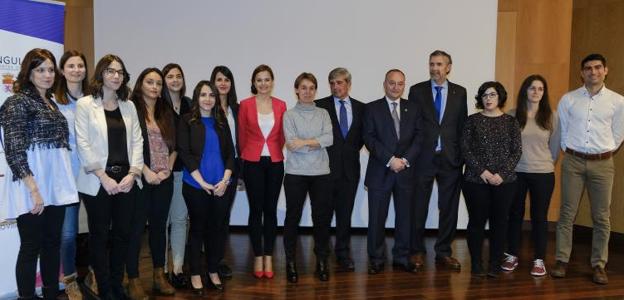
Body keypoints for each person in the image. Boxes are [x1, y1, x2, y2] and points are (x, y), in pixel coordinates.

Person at [0, 48, 79, 300]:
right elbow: (13, 148)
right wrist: (33, 188)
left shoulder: (52, 103)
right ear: (29, 72)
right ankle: (26, 296)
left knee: (52, 243)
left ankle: (49, 294)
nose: (47, 75)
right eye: (40, 69)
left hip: (55, 184)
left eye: (50, 69)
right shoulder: (16, 101)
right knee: (30, 246)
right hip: (31, 183)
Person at [75, 54, 143, 300]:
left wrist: (133, 173)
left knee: (123, 235)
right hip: (98, 181)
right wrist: (104, 177)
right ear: (101, 73)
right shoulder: (85, 104)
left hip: (126, 180)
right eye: (111, 71)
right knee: (100, 235)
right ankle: (104, 287)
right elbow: (83, 143)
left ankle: (117, 284)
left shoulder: (129, 105)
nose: (116, 76)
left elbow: (137, 140)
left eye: (120, 72)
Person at [552, 53, 624, 285]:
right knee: (566, 213)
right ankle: (562, 260)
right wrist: (571, 150)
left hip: (603, 164)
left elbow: (619, 133)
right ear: (582, 72)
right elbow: (562, 131)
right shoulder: (569, 99)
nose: (593, 72)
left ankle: (598, 265)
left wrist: (605, 150)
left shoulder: (618, 101)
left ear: (605, 70)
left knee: (601, 216)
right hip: (573, 161)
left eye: (597, 67)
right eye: (588, 68)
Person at [407, 50, 467, 270]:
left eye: (439, 64)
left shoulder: (460, 92)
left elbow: (461, 127)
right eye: (431, 64)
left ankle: (444, 252)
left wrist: (460, 157)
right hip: (423, 158)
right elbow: (411, 126)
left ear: (448, 67)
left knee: (449, 208)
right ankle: (416, 251)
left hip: (450, 160)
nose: (435, 68)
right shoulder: (417, 91)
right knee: (418, 206)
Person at [363, 69, 422, 275]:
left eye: (400, 84)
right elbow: (369, 139)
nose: (396, 87)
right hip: (380, 171)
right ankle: (376, 259)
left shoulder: (413, 108)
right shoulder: (371, 109)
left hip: (406, 173)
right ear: (384, 84)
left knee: (405, 218)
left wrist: (404, 161)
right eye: (392, 83)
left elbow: (419, 138)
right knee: (377, 219)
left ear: (404, 85)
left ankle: (402, 257)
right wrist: (390, 160)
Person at [178, 80, 235, 294]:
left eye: (211, 95)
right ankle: (194, 274)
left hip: (221, 186)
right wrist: (202, 183)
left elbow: (231, 153)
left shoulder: (221, 122)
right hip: (195, 185)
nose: (208, 99)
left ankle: (212, 270)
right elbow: (184, 153)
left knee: (216, 231)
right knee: (198, 230)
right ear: (196, 97)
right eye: (203, 95)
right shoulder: (187, 121)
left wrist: (226, 180)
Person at [460, 81, 521, 278]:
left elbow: (516, 151)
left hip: (505, 182)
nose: (488, 98)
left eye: (493, 95)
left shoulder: (511, 122)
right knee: (476, 223)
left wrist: (501, 174)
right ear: (480, 98)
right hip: (475, 181)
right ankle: (477, 264)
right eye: (485, 95)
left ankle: (495, 264)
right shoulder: (472, 121)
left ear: (500, 97)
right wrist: (483, 172)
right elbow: (465, 149)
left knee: (499, 223)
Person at [126, 68, 177, 299]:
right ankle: (134, 279)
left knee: (159, 229)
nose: (155, 86)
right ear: (141, 84)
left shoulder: (166, 111)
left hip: (164, 179)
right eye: (149, 82)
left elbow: (174, 146)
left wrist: (168, 168)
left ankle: (158, 275)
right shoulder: (130, 108)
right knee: (136, 230)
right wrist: (145, 171)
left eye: (158, 83)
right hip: (140, 178)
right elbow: (127, 145)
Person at [503, 75, 560, 277]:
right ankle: (511, 255)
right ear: (525, 91)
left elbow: (554, 148)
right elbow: (507, 146)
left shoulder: (552, 116)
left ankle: (539, 260)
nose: (536, 92)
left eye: (540, 89)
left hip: (543, 174)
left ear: (544, 93)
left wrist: (543, 164)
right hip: (516, 173)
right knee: (515, 215)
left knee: (539, 217)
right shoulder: (512, 114)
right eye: (532, 88)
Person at [283, 73, 333, 283]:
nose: (307, 91)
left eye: (311, 88)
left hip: (321, 174)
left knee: (321, 220)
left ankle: (322, 262)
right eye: (303, 87)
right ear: (296, 90)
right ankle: (291, 262)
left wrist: (304, 143)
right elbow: (290, 143)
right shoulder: (289, 115)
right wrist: (315, 142)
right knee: (292, 218)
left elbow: (329, 139)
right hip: (295, 173)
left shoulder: (323, 113)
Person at [238, 64, 286, 279]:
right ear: (254, 83)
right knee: (256, 209)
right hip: (252, 161)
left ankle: (269, 255)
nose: (263, 84)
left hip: (275, 161)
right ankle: (258, 255)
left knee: (271, 209)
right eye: (259, 80)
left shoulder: (281, 105)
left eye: (267, 79)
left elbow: (283, 135)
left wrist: (275, 150)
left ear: (272, 82)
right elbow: (241, 137)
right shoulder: (245, 105)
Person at [314, 67, 364, 272]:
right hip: (324, 171)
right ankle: (322, 255)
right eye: (332, 83)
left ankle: (343, 253)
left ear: (348, 84)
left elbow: (362, 138)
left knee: (345, 215)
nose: (336, 87)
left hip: (349, 171)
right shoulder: (320, 106)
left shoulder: (362, 108)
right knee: (323, 215)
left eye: (340, 82)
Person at [54, 50, 89, 300]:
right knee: (68, 234)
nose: (76, 70)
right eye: (71, 65)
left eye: (80, 66)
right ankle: (69, 279)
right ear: (62, 70)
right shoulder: (54, 101)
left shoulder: (92, 100)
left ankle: (98, 274)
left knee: (100, 229)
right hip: (66, 175)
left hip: (93, 174)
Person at [161, 63, 192, 288]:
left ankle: (177, 268)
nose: (174, 80)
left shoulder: (190, 104)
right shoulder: (158, 104)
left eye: (178, 76)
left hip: (183, 171)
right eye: (170, 76)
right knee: (162, 221)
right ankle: (160, 269)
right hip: (160, 172)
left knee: (180, 220)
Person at [210, 66, 240, 279]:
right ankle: (208, 258)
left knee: (223, 215)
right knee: (210, 216)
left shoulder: (236, 109)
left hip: (233, 167)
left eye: (227, 79)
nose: (223, 83)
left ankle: (218, 259)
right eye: (219, 79)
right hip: (211, 168)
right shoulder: (206, 107)